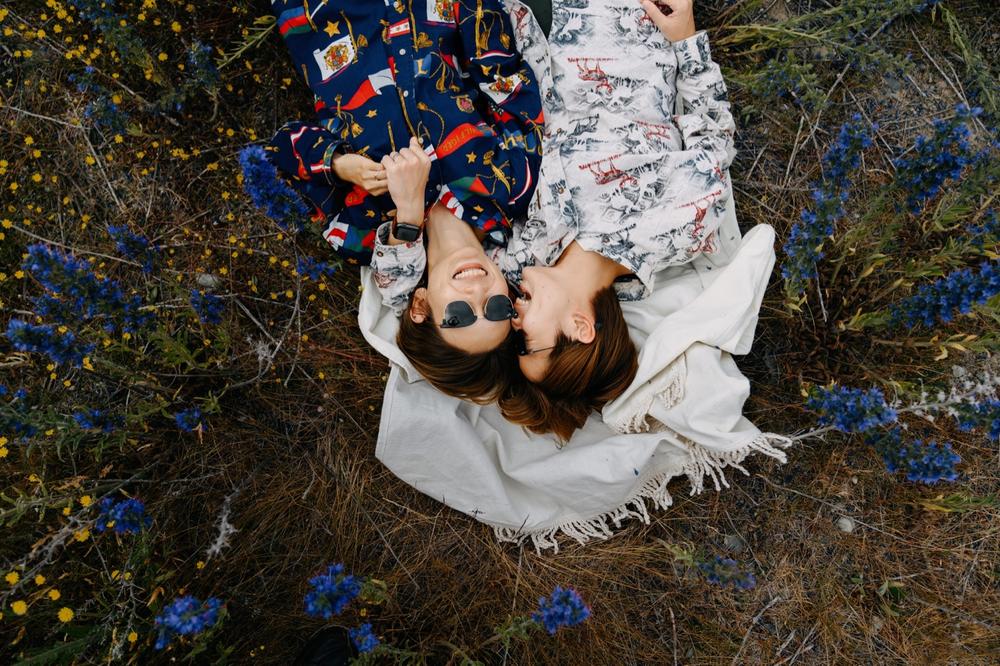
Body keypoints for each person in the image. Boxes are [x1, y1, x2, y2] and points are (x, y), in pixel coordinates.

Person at [375, 0, 736, 438]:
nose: (513, 321)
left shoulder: (520, 263)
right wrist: (685, 36)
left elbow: (403, 297)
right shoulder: (676, 231)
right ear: (580, 327)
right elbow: (712, 136)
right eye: (528, 341)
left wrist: (410, 221)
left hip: (520, 29)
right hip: (616, 21)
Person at [264, 0, 546, 398]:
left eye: (459, 315)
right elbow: (504, 82)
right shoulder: (512, 187)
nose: (479, 295)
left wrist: (342, 164)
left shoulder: (361, 231)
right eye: (497, 309)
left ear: (420, 307)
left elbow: (280, 152)